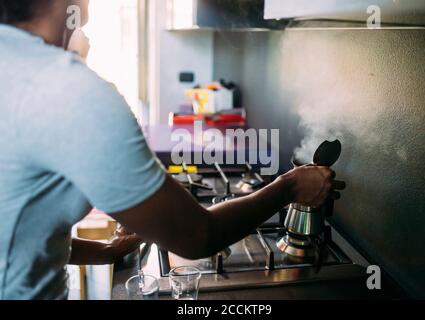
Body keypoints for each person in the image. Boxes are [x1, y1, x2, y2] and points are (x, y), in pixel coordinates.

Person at [0, 0, 345, 300]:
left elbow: (22, 228)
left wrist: (106, 251)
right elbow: (197, 236)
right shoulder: (70, 91)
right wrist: (290, 187)